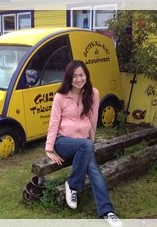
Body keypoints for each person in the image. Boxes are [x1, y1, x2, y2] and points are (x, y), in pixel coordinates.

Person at [45, 60, 122, 227]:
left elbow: (93, 121)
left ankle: (107, 212)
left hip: (84, 144)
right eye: (74, 76)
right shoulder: (60, 97)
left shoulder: (93, 93)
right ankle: (73, 185)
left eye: (81, 75)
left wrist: (91, 141)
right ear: (68, 78)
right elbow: (53, 123)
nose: (79, 79)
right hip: (63, 141)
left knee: (94, 170)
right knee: (85, 146)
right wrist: (49, 148)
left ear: (86, 75)